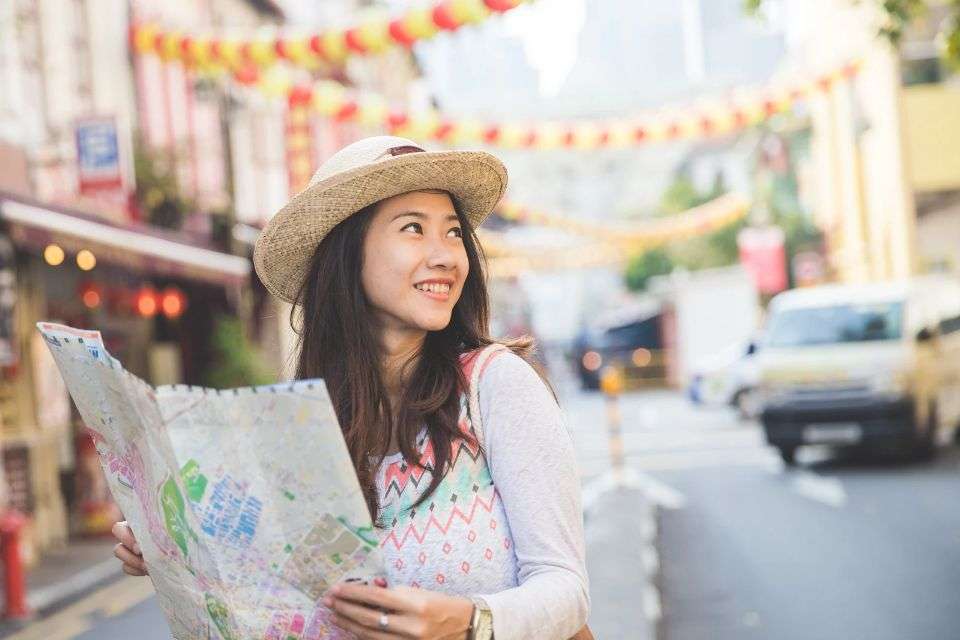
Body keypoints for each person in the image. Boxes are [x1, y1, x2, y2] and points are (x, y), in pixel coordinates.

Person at [112, 136, 590, 640]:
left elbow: (566, 588)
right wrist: (171, 545)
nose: (446, 255)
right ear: (348, 251)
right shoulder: (304, 428)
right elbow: (271, 595)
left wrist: (467, 620)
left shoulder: (494, 386)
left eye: (453, 233)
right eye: (413, 229)